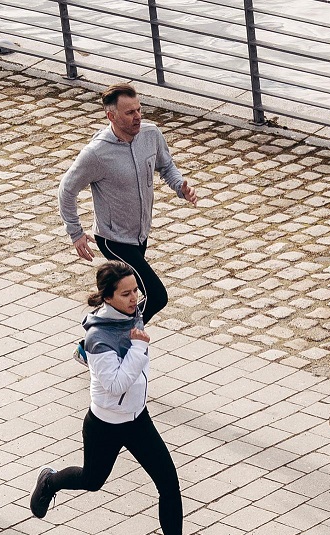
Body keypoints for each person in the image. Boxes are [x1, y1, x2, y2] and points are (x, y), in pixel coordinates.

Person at [30, 261, 211, 535]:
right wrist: (138, 348)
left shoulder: (131, 313)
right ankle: (50, 481)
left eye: (135, 291)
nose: (134, 298)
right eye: (126, 293)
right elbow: (115, 385)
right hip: (106, 425)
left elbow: (157, 296)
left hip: (138, 419)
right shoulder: (98, 338)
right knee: (92, 481)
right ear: (107, 297)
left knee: (169, 484)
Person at [58, 83, 198, 363]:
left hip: (140, 235)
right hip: (114, 239)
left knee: (120, 297)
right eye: (130, 112)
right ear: (111, 116)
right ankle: (106, 343)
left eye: (139, 110)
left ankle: (92, 338)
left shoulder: (151, 134)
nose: (138, 117)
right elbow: (66, 189)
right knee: (155, 296)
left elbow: (166, 165)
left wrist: (180, 187)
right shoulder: (96, 153)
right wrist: (76, 233)